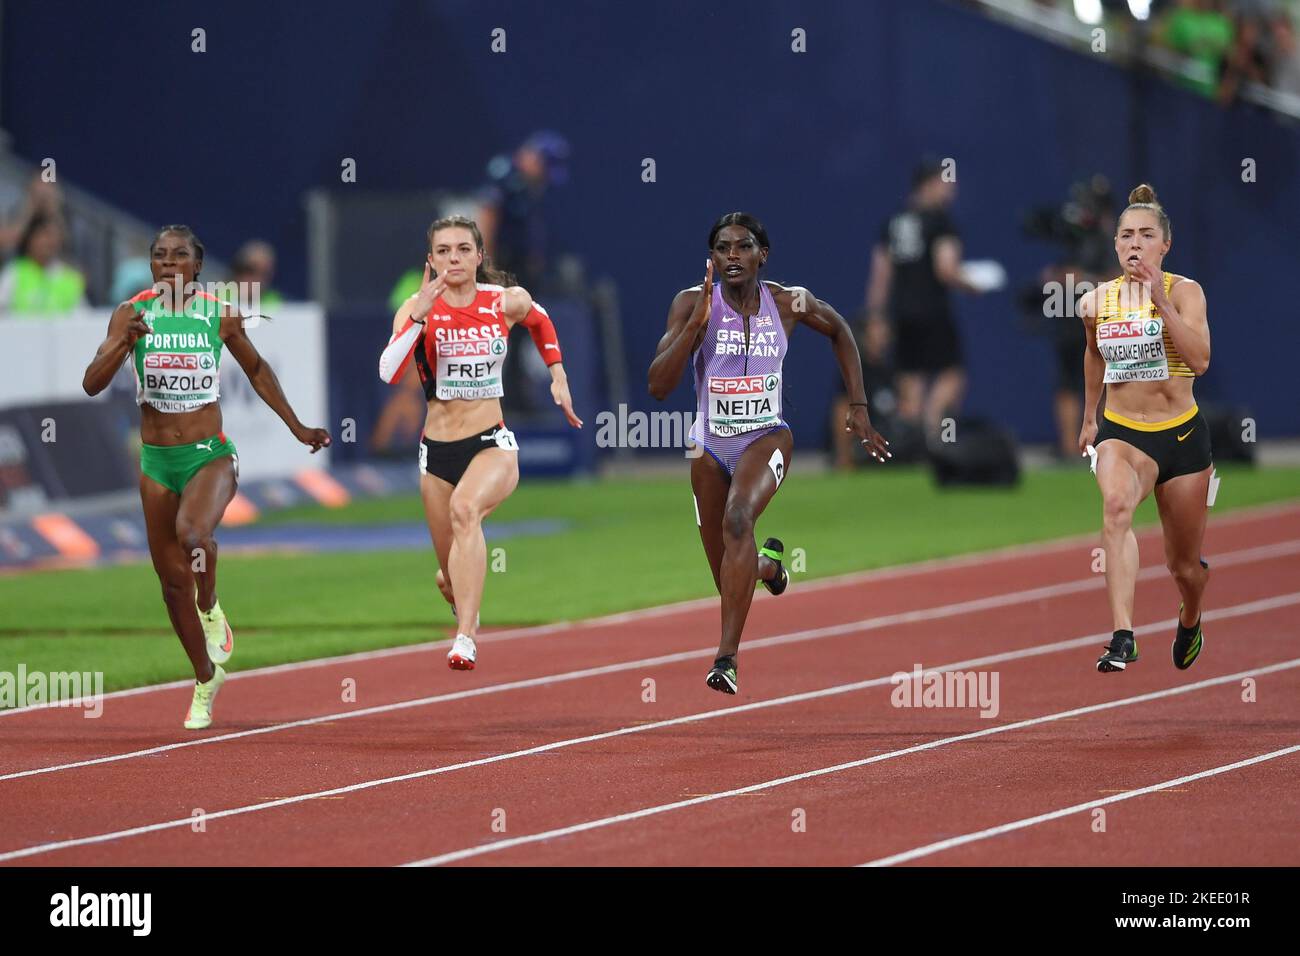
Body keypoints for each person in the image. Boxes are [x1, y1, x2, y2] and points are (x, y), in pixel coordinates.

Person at [81, 225, 331, 728]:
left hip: (209, 454)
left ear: (197, 266)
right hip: (156, 461)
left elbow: (258, 371)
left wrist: (298, 426)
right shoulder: (132, 312)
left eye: (178, 256)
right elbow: (92, 383)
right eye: (158, 256)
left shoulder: (218, 312)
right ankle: (204, 678)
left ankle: (211, 604)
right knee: (171, 586)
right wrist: (122, 344)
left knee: (194, 535)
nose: (167, 263)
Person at [648, 212, 890, 695]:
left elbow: (842, 331)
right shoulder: (692, 303)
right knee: (727, 577)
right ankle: (768, 567)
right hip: (708, 445)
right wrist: (693, 329)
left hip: (767, 437)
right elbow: (658, 385)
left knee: (738, 519)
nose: (732, 256)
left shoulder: (788, 302)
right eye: (722, 248)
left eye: (742, 247)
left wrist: (858, 406)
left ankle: (726, 659)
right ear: (711, 258)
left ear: (763, 254)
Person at [378, 215, 582, 670]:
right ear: (430, 260)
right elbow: (388, 371)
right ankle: (457, 593)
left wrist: (558, 375)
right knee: (450, 575)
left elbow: (541, 319)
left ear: (479, 256)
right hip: (437, 454)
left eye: (464, 249)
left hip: (492, 443)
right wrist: (417, 316)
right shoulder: (416, 308)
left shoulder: (504, 301)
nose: (454, 258)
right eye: (445, 250)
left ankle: (466, 637)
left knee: (466, 511)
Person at [1077, 185, 1213, 674]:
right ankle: (1123, 635)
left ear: (1165, 245)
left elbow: (1199, 361)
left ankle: (1191, 615)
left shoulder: (1185, 292)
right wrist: (1091, 416)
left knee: (1184, 568)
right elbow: (1093, 353)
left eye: (1146, 235)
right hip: (1123, 434)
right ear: (1115, 245)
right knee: (1115, 508)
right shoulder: (1095, 302)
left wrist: (1160, 300)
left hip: (1181, 437)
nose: (1135, 243)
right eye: (1127, 235)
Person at [864, 160, 981, 443]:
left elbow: (881, 274)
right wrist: (974, 284)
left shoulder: (893, 222)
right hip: (932, 311)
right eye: (945, 182)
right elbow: (947, 269)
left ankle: (909, 445)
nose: (951, 189)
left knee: (910, 379)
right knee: (952, 374)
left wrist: (874, 316)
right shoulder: (940, 221)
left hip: (900, 314)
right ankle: (934, 438)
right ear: (929, 184)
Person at [0, 213, 87, 315]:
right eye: (44, 235)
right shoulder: (14, 272)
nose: (49, 242)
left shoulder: (70, 278)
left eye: (54, 236)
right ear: (30, 239)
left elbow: (84, 319)